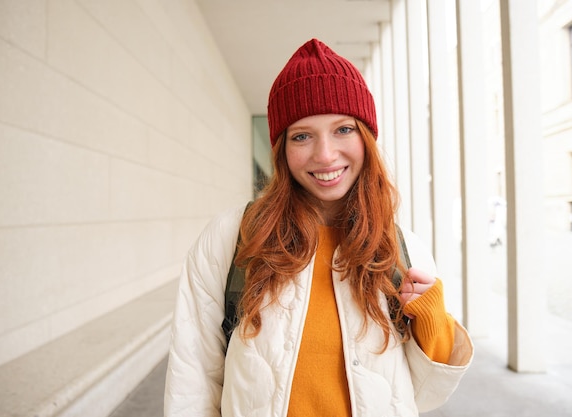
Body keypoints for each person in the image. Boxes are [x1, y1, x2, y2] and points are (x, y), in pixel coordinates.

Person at [164, 38, 473, 417]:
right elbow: (193, 379)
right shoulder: (233, 237)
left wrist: (431, 319)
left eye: (343, 129)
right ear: (281, 150)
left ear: (367, 138)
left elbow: (422, 395)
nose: (325, 154)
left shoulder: (400, 247)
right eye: (302, 136)